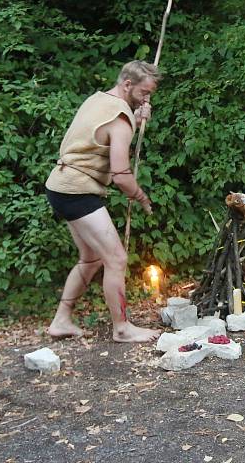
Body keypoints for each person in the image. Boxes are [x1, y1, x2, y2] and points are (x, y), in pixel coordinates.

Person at [44, 60, 161, 343]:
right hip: (77, 191)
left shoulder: (99, 100)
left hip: (60, 185)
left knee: (92, 258)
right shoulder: (121, 120)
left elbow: (103, 132)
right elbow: (121, 175)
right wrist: (141, 197)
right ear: (127, 84)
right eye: (144, 92)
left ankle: (61, 320)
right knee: (117, 258)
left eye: (150, 95)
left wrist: (136, 114)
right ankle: (122, 328)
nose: (147, 99)